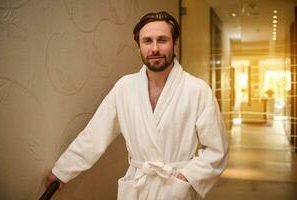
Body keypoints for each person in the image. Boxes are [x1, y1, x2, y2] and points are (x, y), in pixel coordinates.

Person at [46, 11, 228, 200]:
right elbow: (94, 135)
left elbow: (217, 150)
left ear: (175, 44)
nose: (155, 48)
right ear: (139, 47)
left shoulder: (197, 90)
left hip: (175, 188)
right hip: (138, 186)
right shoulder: (125, 87)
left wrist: (186, 177)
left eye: (162, 40)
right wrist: (63, 171)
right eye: (147, 41)